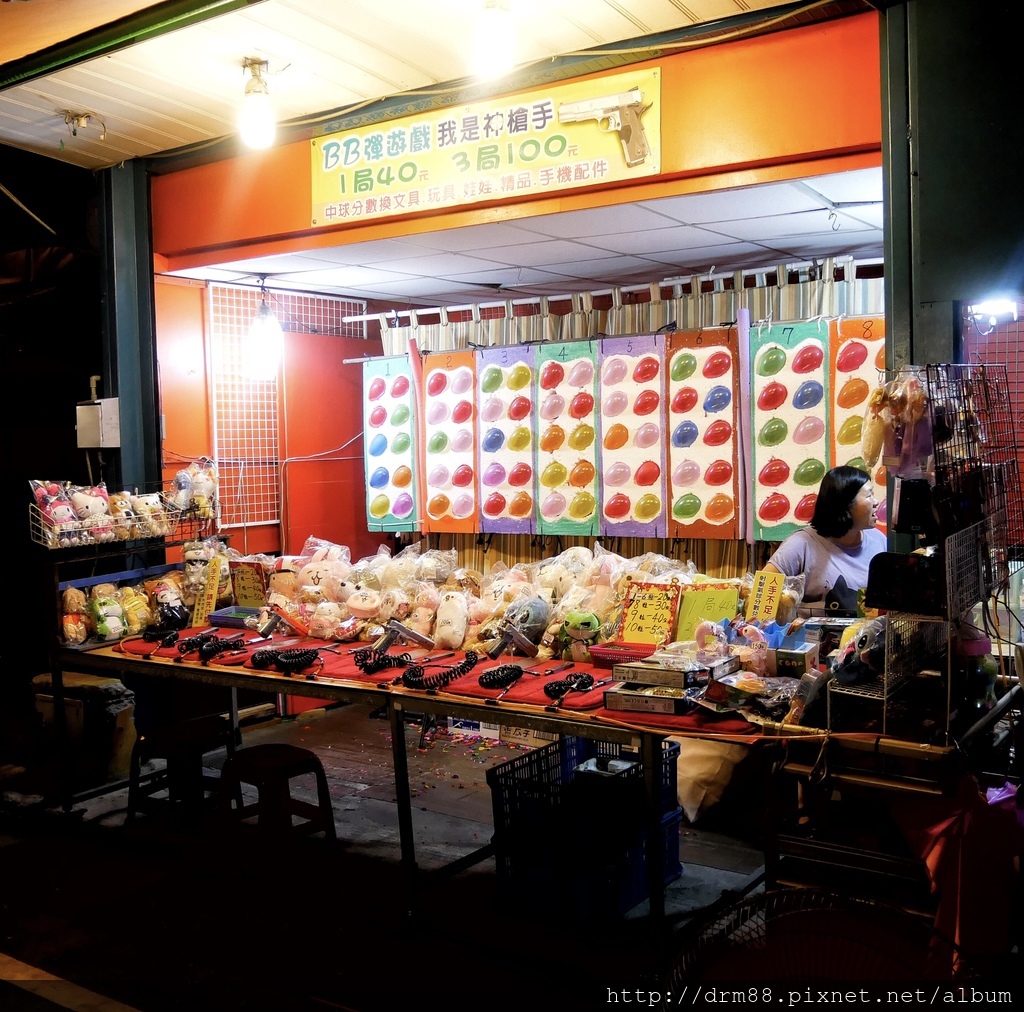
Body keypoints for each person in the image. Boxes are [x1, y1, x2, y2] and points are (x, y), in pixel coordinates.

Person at [763, 465, 886, 614]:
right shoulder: (801, 544)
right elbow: (762, 592)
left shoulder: (879, 540)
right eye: (869, 495)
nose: (876, 502)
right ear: (845, 504)